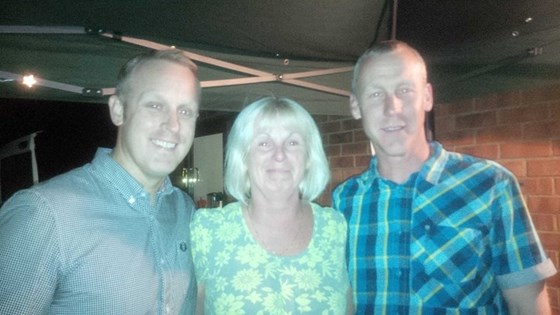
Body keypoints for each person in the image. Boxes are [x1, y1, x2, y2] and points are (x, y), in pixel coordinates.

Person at [332, 40, 557, 314]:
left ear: (427, 97)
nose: (393, 108)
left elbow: (528, 306)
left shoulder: (491, 185)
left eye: (404, 90)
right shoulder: (345, 201)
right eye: (376, 94)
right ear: (355, 106)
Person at [0, 49, 201, 314]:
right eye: (155, 105)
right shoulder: (45, 214)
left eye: (186, 111)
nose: (174, 125)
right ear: (118, 110)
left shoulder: (184, 210)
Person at [190, 97, 353, 314]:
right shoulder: (206, 230)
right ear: (244, 158)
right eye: (264, 143)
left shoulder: (337, 229)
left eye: (293, 142)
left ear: (308, 158)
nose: (279, 155)